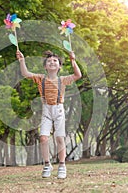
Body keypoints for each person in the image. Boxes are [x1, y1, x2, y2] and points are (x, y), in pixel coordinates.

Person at [16, 49, 82, 179]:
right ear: (45, 66)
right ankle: (47, 164)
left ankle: (62, 165)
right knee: (43, 138)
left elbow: (77, 75)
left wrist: (73, 60)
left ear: (59, 66)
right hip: (46, 110)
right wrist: (22, 60)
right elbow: (25, 73)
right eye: (49, 61)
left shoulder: (63, 80)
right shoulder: (41, 79)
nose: (52, 62)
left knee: (59, 138)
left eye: (55, 61)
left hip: (58, 110)